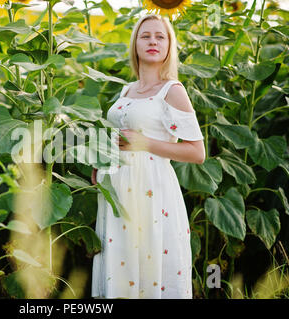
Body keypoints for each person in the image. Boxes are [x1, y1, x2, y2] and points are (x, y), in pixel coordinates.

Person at [90, 14, 205, 299]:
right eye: (145, 36)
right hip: (116, 191)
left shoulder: (172, 91)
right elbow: (118, 136)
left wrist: (145, 143)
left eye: (160, 36)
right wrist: (100, 162)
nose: (153, 41)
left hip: (151, 190)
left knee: (149, 262)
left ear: (168, 46)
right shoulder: (126, 90)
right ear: (135, 45)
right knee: (121, 262)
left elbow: (196, 152)